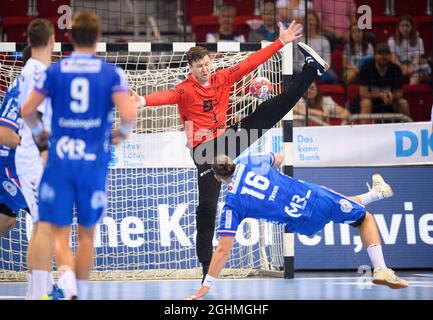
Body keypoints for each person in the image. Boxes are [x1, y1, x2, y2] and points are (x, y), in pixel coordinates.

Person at [133, 20, 330, 283]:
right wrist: (143, 100)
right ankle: (206, 269)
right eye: (199, 66)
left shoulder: (222, 77)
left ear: (209, 63)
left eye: (206, 64)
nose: (204, 69)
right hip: (204, 152)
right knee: (206, 208)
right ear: (190, 68)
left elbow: (250, 63)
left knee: (268, 112)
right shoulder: (184, 89)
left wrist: (281, 42)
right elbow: (166, 96)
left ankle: (311, 70)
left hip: (225, 141)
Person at [20, 11, 138, 300]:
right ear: (98, 38)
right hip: (92, 162)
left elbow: (27, 112)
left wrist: (40, 137)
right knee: (87, 235)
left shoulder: (55, 71)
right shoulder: (112, 73)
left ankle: (68, 283)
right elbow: (128, 115)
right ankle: (80, 293)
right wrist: (118, 137)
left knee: (59, 230)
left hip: (59, 161)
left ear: (70, 37)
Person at [185, 153, 409, 300]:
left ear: (217, 178)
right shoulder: (250, 161)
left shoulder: (232, 204)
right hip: (312, 197)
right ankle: (381, 269)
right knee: (365, 219)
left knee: (342, 205)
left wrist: (207, 285)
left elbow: (223, 249)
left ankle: (377, 193)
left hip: (302, 224)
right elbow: (280, 158)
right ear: (231, 162)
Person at [13, 20, 61, 300]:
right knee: (43, 226)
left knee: (42, 225)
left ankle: (39, 290)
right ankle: (38, 294)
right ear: (52, 40)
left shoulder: (33, 69)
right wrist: (44, 150)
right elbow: (30, 113)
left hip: (33, 157)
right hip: (33, 159)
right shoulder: (36, 71)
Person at [0, 47, 32, 238]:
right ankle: (59, 268)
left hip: (21, 164)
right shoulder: (22, 89)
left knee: (7, 222)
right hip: (11, 166)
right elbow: (3, 132)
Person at [359, 42, 410, 121]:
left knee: (403, 103)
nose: (383, 57)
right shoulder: (366, 68)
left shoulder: (396, 69)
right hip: (372, 102)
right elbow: (363, 94)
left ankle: (407, 128)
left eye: (386, 54)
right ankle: (362, 131)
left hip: (390, 102)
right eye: (380, 54)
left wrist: (392, 96)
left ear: (390, 56)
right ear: (375, 55)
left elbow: (400, 92)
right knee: (366, 103)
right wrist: (380, 95)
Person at [293, 10, 338, 83]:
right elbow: (295, 60)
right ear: (304, 22)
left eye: (312, 20)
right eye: (308, 20)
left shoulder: (324, 40)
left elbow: (327, 62)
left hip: (318, 69)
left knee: (333, 77)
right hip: (300, 68)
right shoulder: (297, 39)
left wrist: (316, 69)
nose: (310, 22)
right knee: (293, 69)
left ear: (317, 22)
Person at [387, 15, 431, 85]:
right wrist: (402, 67)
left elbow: (417, 59)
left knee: (416, 74)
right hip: (399, 65)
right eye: (402, 26)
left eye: (407, 26)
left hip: (414, 65)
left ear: (412, 27)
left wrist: (410, 68)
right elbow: (394, 58)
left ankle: (411, 92)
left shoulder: (419, 40)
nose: (405, 28)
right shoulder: (391, 40)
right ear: (398, 27)